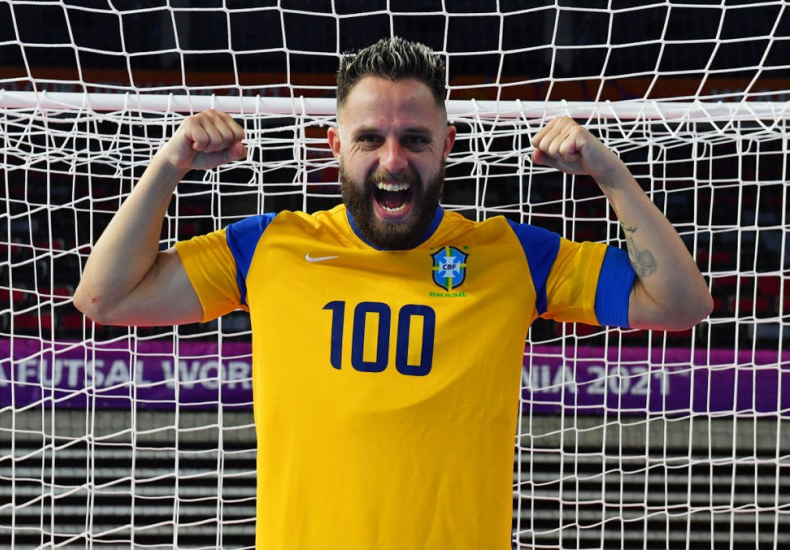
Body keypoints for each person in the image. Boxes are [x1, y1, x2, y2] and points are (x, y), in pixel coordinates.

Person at [74, 37, 713, 549]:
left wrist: (609, 172)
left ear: (447, 147)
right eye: (369, 138)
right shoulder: (268, 247)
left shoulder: (514, 254)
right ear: (335, 148)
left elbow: (682, 303)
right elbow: (104, 299)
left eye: (414, 139)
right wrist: (168, 167)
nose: (392, 160)